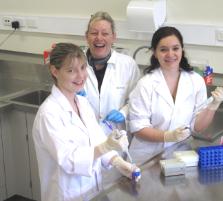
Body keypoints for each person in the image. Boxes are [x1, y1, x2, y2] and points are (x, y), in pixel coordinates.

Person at [32, 43, 140, 201]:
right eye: (71, 71)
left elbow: (97, 140)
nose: (80, 76)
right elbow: (69, 160)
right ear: (55, 71)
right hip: (66, 194)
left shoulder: (82, 102)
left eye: (83, 68)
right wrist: (105, 147)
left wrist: (117, 162)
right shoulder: (49, 114)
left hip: (92, 191)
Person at [128, 26, 223, 165]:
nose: (170, 54)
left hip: (179, 155)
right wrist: (168, 136)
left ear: (182, 50)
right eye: (163, 49)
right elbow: (138, 128)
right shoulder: (145, 84)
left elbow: (197, 127)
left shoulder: (195, 81)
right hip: (146, 159)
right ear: (154, 53)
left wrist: (213, 106)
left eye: (175, 48)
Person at [81, 11, 140, 135]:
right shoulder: (75, 64)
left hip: (116, 137)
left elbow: (136, 101)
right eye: (94, 33)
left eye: (105, 33)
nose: (99, 38)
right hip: (85, 138)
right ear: (86, 37)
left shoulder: (128, 65)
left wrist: (123, 112)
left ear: (113, 37)